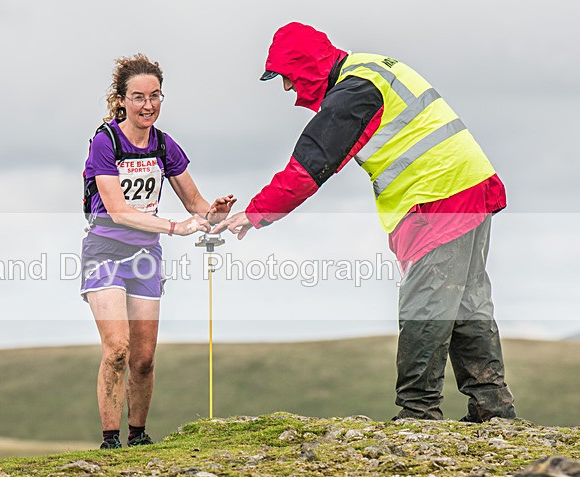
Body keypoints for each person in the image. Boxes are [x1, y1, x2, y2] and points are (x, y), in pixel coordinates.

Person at [213, 22, 516, 423]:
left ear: (305, 66)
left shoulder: (354, 92)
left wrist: (254, 214)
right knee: (465, 303)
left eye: (286, 76)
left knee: (425, 305)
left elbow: (309, 166)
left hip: (437, 196)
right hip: (468, 185)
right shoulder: (371, 68)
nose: (287, 88)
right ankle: (492, 409)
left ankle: (419, 413)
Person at [82, 53, 236, 449]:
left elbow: (195, 202)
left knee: (144, 359)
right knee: (117, 349)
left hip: (146, 256)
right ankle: (109, 439)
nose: (147, 105)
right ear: (120, 100)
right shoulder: (106, 142)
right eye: (137, 97)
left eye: (155, 96)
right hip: (104, 251)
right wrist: (174, 227)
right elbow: (116, 210)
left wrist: (213, 213)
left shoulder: (165, 145)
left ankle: (138, 436)